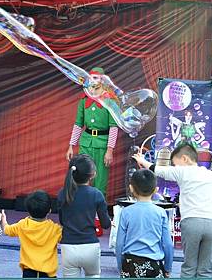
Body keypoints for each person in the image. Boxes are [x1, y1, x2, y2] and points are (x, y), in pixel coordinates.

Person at [133, 143, 212, 278]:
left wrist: (142, 161)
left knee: (189, 266)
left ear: (185, 159)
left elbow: (159, 170)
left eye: (175, 164)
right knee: (206, 268)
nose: (174, 167)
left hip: (192, 222)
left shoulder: (183, 171)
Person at [66, 67, 119, 196]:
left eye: (96, 78)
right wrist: (71, 146)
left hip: (102, 144)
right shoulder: (84, 101)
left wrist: (110, 150)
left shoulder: (110, 101)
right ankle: (80, 207)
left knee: (100, 181)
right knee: (81, 176)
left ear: (103, 81)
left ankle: (96, 213)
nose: (92, 81)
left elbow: (114, 127)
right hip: (86, 143)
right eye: (91, 78)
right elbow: (78, 124)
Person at [58, 154, 111, 278]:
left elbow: (62, 221)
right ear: (92, 175)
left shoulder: (63, 193)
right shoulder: (96, 194)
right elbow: (106, 224)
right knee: (93, 275)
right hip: (90, 246)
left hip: (68, 245)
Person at [115, 169, 173, 278]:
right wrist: (168, 267)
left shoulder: (126, 212)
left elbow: (119, 244)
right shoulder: (161, 212)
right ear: (156, 190)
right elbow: (168, 244)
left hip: (130, 264)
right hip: (154, 264)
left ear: (131, 188)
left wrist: (120, 266)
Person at [1, 190, 62, 278]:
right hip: (48, 275)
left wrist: (3, 219)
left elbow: (6, 230)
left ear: (28, 210)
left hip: (28, 273)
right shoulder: (55, 229)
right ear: (49, 211)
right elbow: (68, 238)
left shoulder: (22, 225)